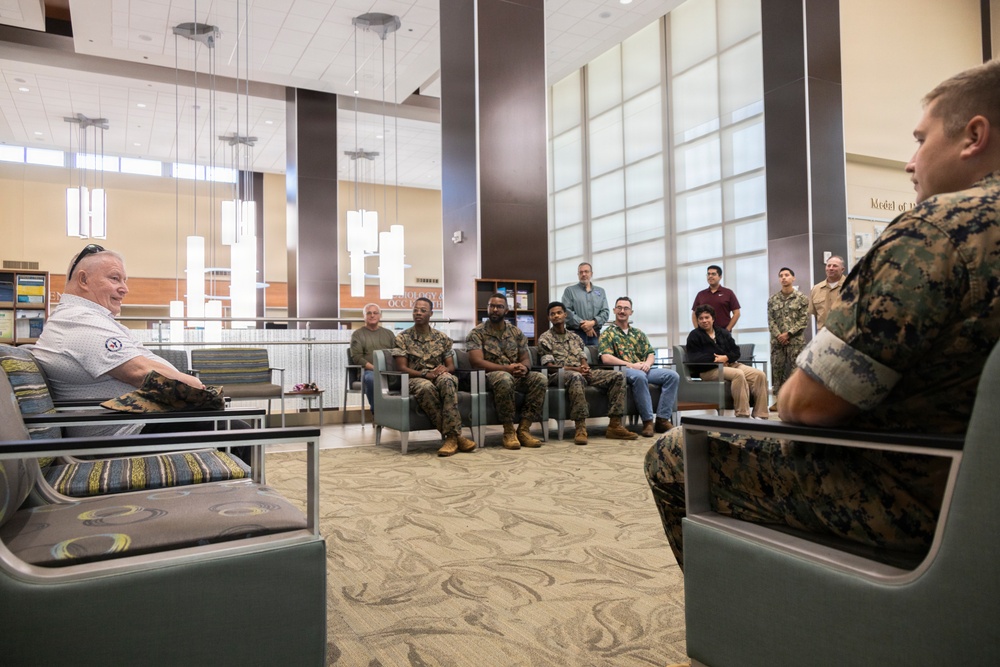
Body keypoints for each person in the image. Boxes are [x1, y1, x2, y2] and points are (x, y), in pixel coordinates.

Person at [646, 59, 1000, 569]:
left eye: (921, 140)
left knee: (675, 452)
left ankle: (740, 623)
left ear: (973, 136)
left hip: (924, 497)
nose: (910, 161)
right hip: (982, 488)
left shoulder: (936, 233)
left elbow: (808, 405)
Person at [32, 245, 207, 438]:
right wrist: (195, 386)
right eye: (115, 278)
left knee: (224, 422)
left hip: (135, 421)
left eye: (124, 280)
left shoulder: (94, 318)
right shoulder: (78, 320)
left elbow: (144, 359)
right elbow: (140, 372)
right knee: (233, 426)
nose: (125, 289)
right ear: (83, 280)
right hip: (123, 432)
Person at [537, 301, 639, 445]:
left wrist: (585, 367)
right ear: (549, 318)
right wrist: (577, 370)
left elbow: (582, 358)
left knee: (617, 376)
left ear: (565, 315)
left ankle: (615, 425)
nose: (556, 316)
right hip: (559, 376)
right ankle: (580, 428)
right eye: (552, 314)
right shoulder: (545, 338)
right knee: (576, 377)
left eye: (559, 313)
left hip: (580, 372)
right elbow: (551, 367)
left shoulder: (575, 337)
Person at [392, 298, 476, 457]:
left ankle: (452, 438)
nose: (418, 313)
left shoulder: (442, 338)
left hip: (438, 375)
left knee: (448, 380)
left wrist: (445, 369)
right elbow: (402, 367)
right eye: (416, 310)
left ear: (431, 314)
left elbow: (451, 366)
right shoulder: (402, 338)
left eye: (423, 310)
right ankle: (455, 437)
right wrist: (425, 374)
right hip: (415, 377)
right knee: (426, 387)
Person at [467, 293, 547, 450]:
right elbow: (476, 362)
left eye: (499, 307)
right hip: (489, 376)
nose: (495, 309)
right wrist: (506, 369)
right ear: (487, 308)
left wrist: (524, 368)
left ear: (507, 310)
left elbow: (525, 358)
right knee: (504, 378)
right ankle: (508, 431)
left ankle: (524, 429)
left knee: (540, 379)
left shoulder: (516, 332)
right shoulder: (476, 333)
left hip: (514, 373)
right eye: (492, 306)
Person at [598, 296, 680, 437]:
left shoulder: (638, 333)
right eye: (619, 308)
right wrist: (631, 365)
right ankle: (648, 421)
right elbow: (606, 358)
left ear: (631, 312)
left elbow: (650, 353)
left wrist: (647, 364)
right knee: (640, 376)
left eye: (626, 308)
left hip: (643, 369)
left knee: (672, 376)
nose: (622, 311)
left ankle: (662, 419)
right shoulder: (607, 333)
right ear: (614, 310)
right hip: (623, 370)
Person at [687, 304, 769, 419]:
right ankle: (743, 414)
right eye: (701, 318)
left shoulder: (722, 332)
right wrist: (715, 359)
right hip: (709, 370)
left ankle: (761, 415)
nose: (704, 321)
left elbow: (736, 351)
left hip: (730, 364)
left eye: (707, 317)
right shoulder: (694, 336)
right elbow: (694, 358)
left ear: (713, 319)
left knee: (759, 375)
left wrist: (726, 358)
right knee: (738, 374)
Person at [766, 267, 809, 411]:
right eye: (781, 276)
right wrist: (779, 335)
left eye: (787, 275)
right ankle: (779, 401)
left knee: (796, 372)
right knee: (777, 371)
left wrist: (788, 334)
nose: (784, 278)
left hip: (795, 342)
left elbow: (804, 320)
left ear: (793, 278)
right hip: (777, 343)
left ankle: (794, 401)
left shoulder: (802, 298)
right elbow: (771, 320)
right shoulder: (772, 300)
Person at [349, 302, 397, 412]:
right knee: (371, 379)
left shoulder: (389, 334)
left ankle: (397, 412)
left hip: (389, 371)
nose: (372, 315)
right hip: (368, 371)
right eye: (369, 313)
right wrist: (375, 369)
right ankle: (378, 413)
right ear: (364, 316)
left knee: (406, 377)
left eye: (375, 313)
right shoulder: (357, 334)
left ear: (380, 316)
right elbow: (357, 357)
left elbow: (396, 353)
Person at [560, 262, 610, 346]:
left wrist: (592, 323)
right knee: (576, 359)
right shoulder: (569, 291)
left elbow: (605, 312)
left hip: (595, 334)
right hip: (575, 334)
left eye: (586, 271)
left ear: (591, 274)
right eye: (581, 272)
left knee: (596, 358)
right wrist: (585, 325)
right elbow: (566, 312)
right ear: (578, 274)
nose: (583, 274)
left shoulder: (601, 291)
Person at [691, 264, 741, 331]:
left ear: (720, 277)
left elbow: (737, 313)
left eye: (713, 274)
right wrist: (697, 330)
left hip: (723, 333)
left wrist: (728, 329)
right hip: (704, 334)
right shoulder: (701, 294)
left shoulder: (728, 293)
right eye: (708, 274)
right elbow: (694, 314)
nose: (710, 276)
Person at [807, 255, 846, 330]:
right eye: (828, 266)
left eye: (835, 266)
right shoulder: (816, 289)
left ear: (842, 269)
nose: (831, 268)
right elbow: (816, 314)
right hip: (823, 335)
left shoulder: (851, 286)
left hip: (846, 336)